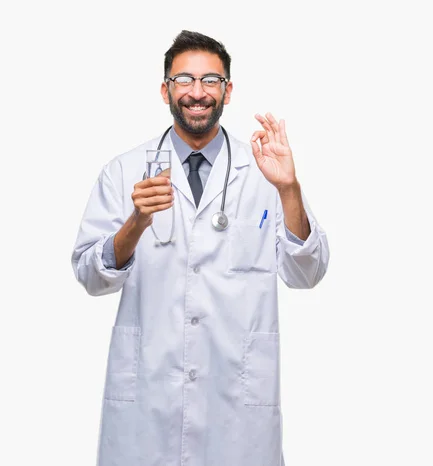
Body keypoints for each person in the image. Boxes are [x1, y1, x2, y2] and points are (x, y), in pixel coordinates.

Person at [71, 30, 329, 466]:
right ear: (165, 89)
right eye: (184, 79)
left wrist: (289, 190)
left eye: (211, 80)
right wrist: (135, 224)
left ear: (228, 91)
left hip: (237, 402)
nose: (197, 92)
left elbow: (306, 274)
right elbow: (90, 277)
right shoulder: (124, 171)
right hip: (148, 400)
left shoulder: (265, 171)